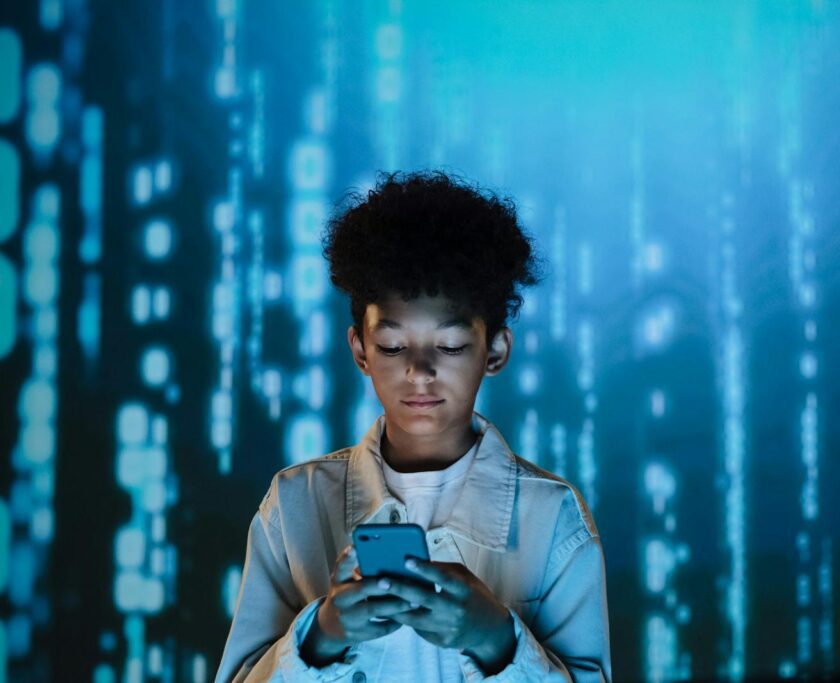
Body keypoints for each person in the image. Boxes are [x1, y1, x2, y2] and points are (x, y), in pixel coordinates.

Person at [214, 170, 612, 682]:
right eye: (393, 346)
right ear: (359, 350)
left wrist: (495, 639)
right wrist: (323, 636)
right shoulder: (294, 505)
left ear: (495, 351)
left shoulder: (554, 518)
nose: (419, 371)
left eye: (448, 347)